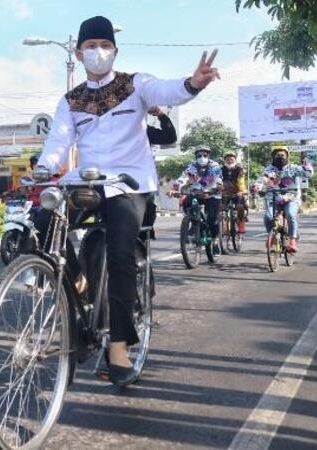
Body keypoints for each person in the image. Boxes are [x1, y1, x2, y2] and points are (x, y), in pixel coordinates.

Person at [35, 15, 219, 386]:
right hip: (86, 183)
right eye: (90, 46)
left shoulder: (137, 85)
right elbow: (58, 142)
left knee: (120, 252)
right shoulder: (71, 100)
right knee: (42, 218)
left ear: (115, 51)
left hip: (130, 184)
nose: (97, 52)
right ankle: (77, 285)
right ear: (79, 52)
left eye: (104, 46)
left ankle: (118, 346)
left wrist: (192, 83)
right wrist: (44, 167)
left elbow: (168, 91)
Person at [252, 146, 314, 253]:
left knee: (290, 214)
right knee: (268, 217)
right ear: (273, 157)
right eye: (277, 155)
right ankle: (272, 237)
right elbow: (262, 180)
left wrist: (307, 166)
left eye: (282, 155)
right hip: (273, 198)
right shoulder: (269, 169)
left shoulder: (293, 168)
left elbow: (308, 174)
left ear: (287, 157)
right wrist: (257, 187)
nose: (280, 157)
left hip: (291, 197)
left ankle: (292, 241)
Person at [172, 145, 223, 243]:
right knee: (187, 202)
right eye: (199, 155)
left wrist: (206, 190)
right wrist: (174, 188)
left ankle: (215, 242)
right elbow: (184, 177)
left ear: (208, 156)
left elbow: (210, 178)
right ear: (196, 157)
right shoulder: (192, 166)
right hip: (197, 193)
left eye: (205, 155)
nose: (202, 157)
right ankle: (193, 223)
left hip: (213, 193)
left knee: (212, 219)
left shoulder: (214, 165)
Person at [220, 151, 248, 234]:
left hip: (237, 192)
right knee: (220, 207)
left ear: (235, 160)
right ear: (224, 160)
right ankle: (224, 225)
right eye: (227, 159)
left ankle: (241, 224)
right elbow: (218, 180)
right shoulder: (220, 169)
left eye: (231, 159)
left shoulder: (239, 169)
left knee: (240, 206)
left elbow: (241, 180)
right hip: (224, 192)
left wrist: (241, 191)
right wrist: (219, 190)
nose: (229, 161)